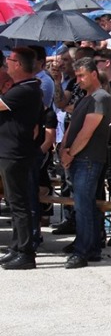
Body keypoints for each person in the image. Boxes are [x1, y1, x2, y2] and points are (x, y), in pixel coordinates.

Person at [59, 57, 111, 269]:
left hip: (88, 158)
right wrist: (64, 148)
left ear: (94, 73)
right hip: (78, 158)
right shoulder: (86, 98)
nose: (79, 79)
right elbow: (72, 126)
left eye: (82, 75)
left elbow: (87, 131)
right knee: (85, 206)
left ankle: (83, 251)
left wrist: (70, 153)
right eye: (77, 76)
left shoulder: (101, 98)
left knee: (84, 206)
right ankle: (90, 248)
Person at [0, 48, 44, 270]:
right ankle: (17, 247)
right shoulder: (21, 88)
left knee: (19, 204)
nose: (6, 63)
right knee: (14, 202)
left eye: (9, 60)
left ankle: (26, 253)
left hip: (15, 152)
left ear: (18, 64)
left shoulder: (27, 89)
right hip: (10, 150)